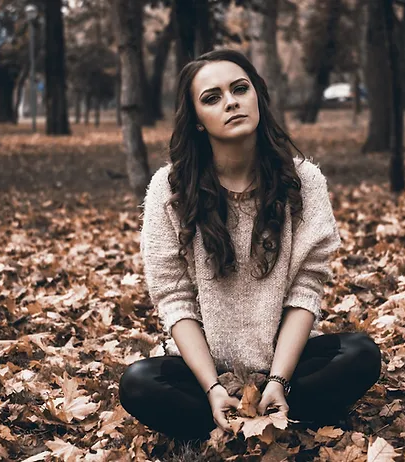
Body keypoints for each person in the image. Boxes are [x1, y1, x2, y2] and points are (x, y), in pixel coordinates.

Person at [118, 49, 381, 442]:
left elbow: (305, 290)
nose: (231, 102)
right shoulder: (169, 190)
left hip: (290, 368)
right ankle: (239, 417)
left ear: (257, 96)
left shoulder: (304, 182)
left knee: (361, 354)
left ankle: (274, 408)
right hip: (205, 373)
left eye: (240, 89)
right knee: (137, 383)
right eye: (212, 97)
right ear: (198, 122)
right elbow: (174, 299)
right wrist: (213, 388)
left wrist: (277, 380)